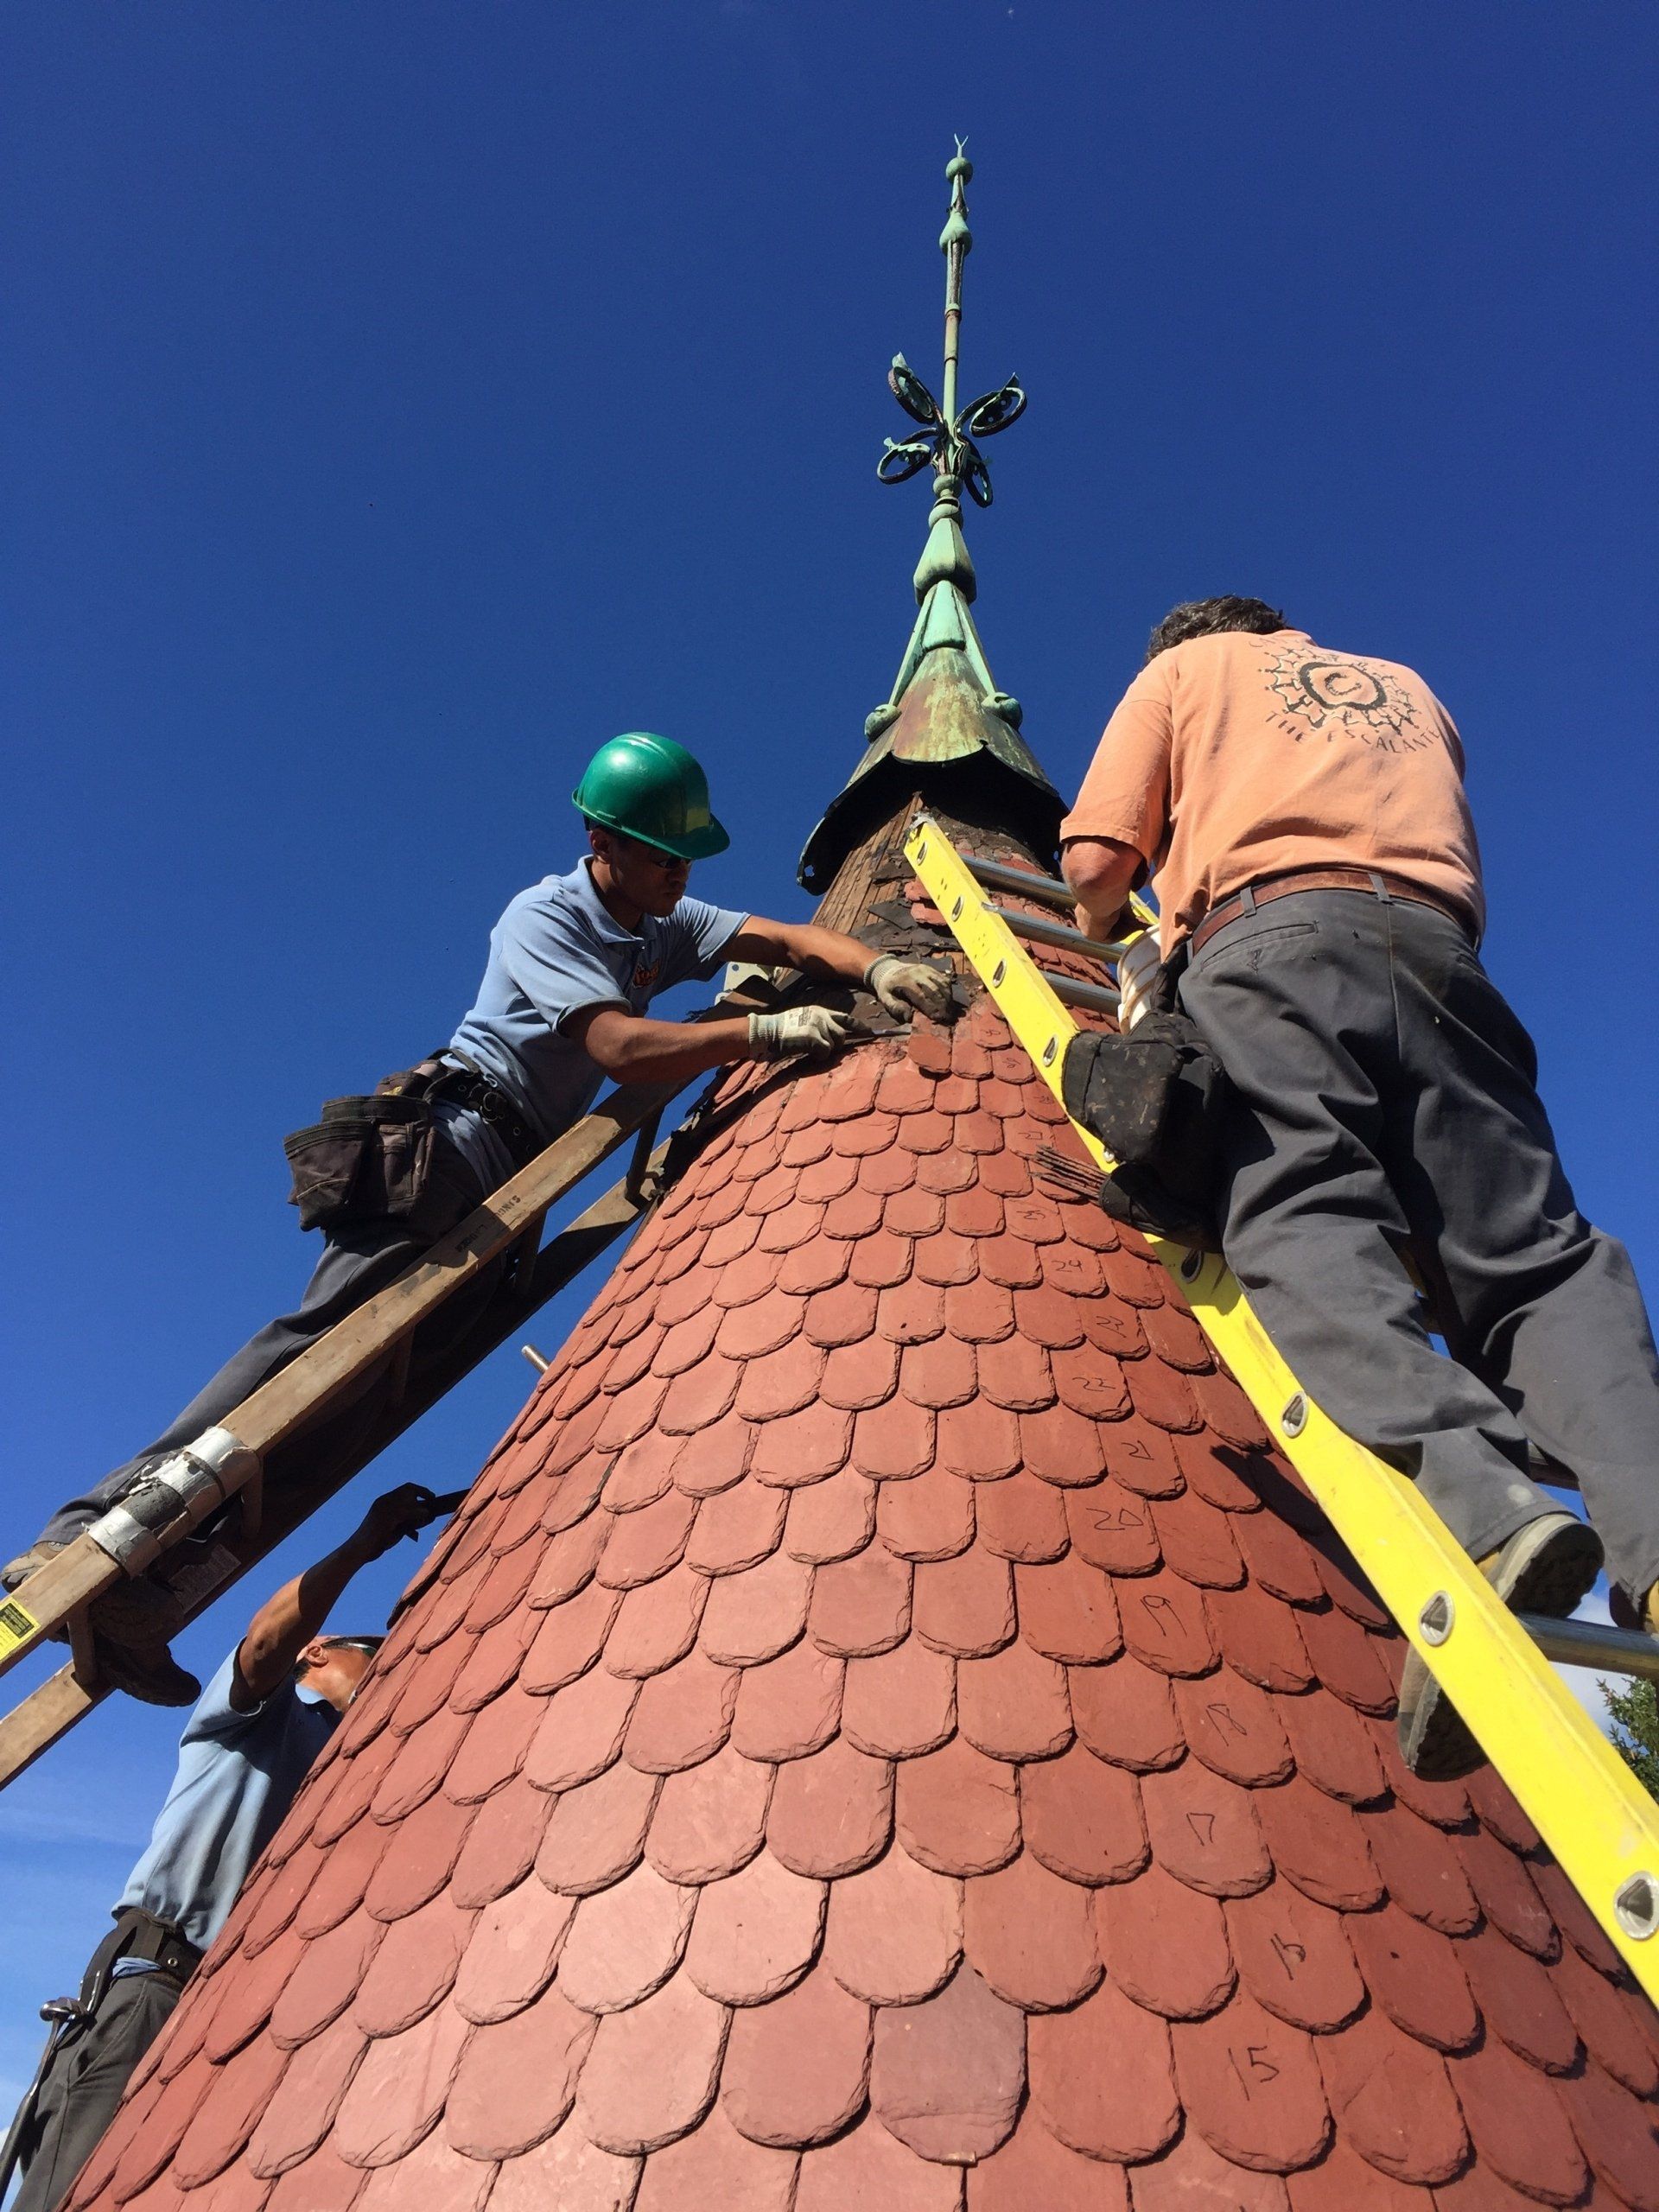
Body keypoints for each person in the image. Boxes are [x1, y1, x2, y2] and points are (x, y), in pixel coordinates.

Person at [5, 733, 951, 1705]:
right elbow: (622, 1046)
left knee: (357, 1411)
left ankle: (146, 1603)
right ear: (604, 843)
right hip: (453, 1145)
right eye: (663, 854)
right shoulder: (544, 916)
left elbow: (787, 939)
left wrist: (874, 969)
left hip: (506, 1186)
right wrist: (761, 1030)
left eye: (686, 858)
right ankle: (73, 1540)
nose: (679, 873)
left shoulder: (660, 924)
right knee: (313, 1352)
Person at [1059, 596, 1659, 1779]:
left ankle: (1484, 1511)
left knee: (1300, 1210)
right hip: (1441, 955)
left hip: (1267, 940)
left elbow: (1092, 866)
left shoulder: (1186, 676)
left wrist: (1120, 935)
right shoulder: (1407, 685)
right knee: (1535, 1258)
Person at [3, 1484, 435, 2212]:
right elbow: (268, 1638)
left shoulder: (343, 1764)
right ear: (321, 1652)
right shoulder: (254, 1716)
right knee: (69, 2188)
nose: (389, 1670)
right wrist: (363, 1546)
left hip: (227, 2009)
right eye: (377, 1654)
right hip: (154, 1981)